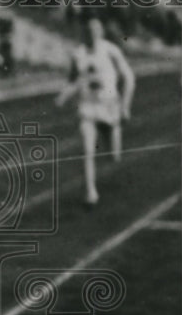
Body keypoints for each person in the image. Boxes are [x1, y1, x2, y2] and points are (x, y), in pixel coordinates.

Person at [56, 16, 135, 208]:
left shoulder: (110, 50)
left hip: (109, 106)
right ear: (84, 33)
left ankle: (114, 135)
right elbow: (72, 80)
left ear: (100, 33)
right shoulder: (78, 54)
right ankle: (91, 192)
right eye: (88, 32)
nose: (92, 35)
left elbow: (129, 77)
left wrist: (125, 105)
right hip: (88, 107)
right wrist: (63, 95)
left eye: (95, 31)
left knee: (114, 156)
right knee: (87, 150)